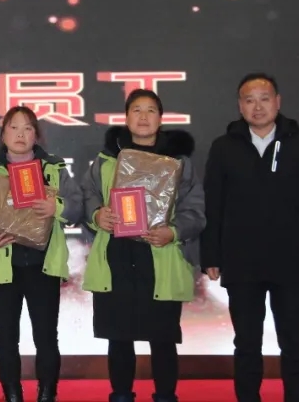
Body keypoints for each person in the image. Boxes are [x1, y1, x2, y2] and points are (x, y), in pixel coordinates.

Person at [201, 73, 299, 402]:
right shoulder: (224, 147)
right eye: (249, 100)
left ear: (278, 102)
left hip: (291, 259)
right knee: (246, 342)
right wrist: (211, 256)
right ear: (240, 106)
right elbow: (213, 205)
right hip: (241, 260)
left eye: (264, 98)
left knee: (294, 341)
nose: (257, 106)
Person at [81, 89, 204, 402]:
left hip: (160, 255)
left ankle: (165, 396)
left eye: (151, 110)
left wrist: (173, 232)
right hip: (117, 256)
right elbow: (87, 195)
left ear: (161, 119)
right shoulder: (106, 160)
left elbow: (195, 210)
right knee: (118, 337)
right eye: (137, 110)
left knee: (163, 338)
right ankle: (121, 395)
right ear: (126, 118)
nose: (144, 116)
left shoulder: (179, 163)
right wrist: (97, 215)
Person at [0, 105, 84, 402]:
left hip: (43, 265)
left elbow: (77, 207)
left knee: (46, 337)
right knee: (6, 338)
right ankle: (12, 395)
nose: (20, 134)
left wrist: (56, 207)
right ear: (3, 134)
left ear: (36, 135)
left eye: (27, 128)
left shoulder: (53, 168)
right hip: (2, 264)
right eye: (13, 128)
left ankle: (47, 395)